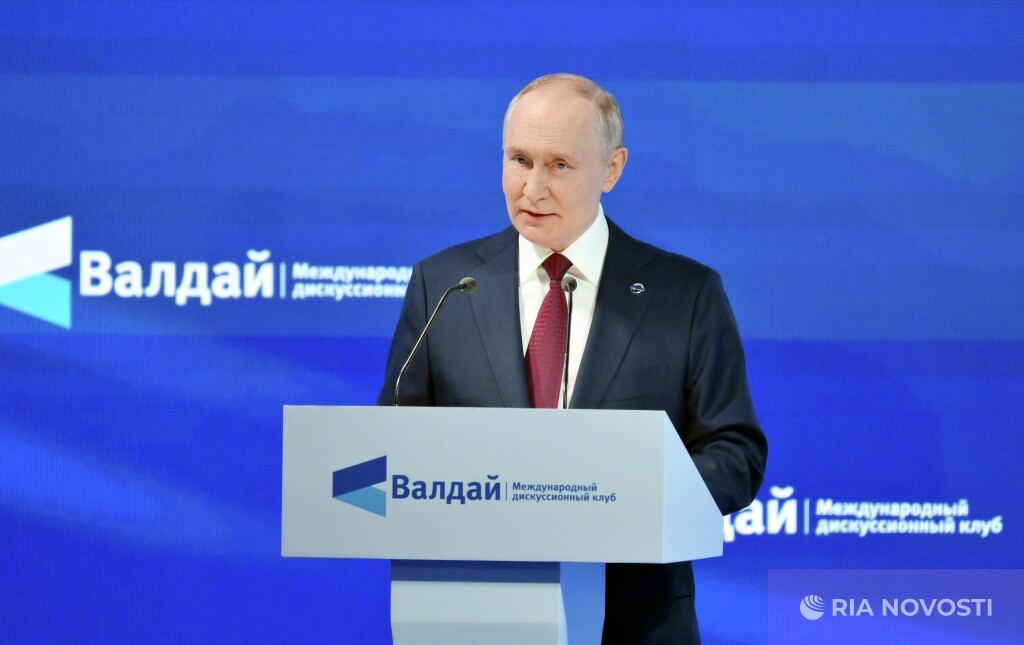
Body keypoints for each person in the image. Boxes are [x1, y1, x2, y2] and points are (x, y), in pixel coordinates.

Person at [378, 73, 767, 644]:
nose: (532, 188)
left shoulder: (685, 294)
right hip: (473, 611)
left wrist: (630, 499)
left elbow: (735, 452)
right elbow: (393, 444)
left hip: (636, 622)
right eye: (519, 160)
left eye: (559, 165)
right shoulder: (445, 285)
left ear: (612, 169)